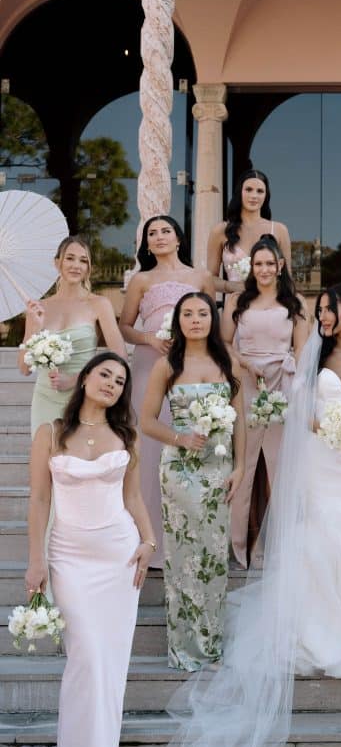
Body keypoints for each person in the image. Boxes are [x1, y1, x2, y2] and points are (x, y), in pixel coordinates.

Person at [151, 283, 341, 747]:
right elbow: (299, 408)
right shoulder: (310, 355)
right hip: (321, 458)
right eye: (319, 312)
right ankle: (318, 631)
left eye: (330, 310)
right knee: (323, 535)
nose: (324, 318)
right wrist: (326, 427)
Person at [25, 352, 155, 747]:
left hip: (118, 559)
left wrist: (148, 542)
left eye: (120, 381)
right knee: (86, 661)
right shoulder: (52, 433)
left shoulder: (127, 435)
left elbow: (134, 498)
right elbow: (39, 501)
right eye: (105, 374)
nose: (112, 384)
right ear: (84, 378)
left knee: (110, 668)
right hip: (69, 560)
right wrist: (36, 560)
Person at [141, 292, 245, 671]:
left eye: (203, 313)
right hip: (180, 470)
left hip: (219, 467)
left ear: (212, 319)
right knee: (184, 554)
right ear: (178, 321)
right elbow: (147, 421)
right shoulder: (168, 364)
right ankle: (184, 647)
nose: (196, 320)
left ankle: (212, 644)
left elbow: (240, 418)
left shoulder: (226, 361)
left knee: (214, 555)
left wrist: (240, 467)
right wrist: (180, 438)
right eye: (188, 313)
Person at [119, 215, 214, 567]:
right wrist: (147, 338)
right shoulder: (140, 280)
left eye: (166, 231)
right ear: (146, 244)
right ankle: (146, 538)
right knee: (148, 450)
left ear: (178, 238)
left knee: (187, 441)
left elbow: (211, 322)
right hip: (149, 363)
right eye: (152, 233)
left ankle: (185, 537)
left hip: (191, 366)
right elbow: (124, 326)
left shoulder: (200, 277)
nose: (159, 237)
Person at [221, 236, 308, 567]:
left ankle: (283, 546)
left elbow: (301, 349)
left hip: (282, 384)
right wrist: (244, 363)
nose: (264, 269)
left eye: (270, 263)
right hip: (247, 380)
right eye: (258, 264)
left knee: (280, 466)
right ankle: (239, 547)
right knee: (244, 462)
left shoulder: (295, 302)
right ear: (251, 267)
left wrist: (294, 388)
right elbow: (225, 343)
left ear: (281, 266)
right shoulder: (237, 301)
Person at [19, 235, 125, 436]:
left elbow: (119, 357)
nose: (76, 265)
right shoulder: (39, 308)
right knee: (44, 460)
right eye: (70, 258)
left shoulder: (99, 304)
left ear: (89, 267)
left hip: (84, 396)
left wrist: (77, 380)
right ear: (57, 262)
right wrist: (34, 326)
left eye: (83, 260)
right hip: (45, 396)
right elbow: (24, 368)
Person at [207, 169, 292, 295]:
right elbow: (209, 279)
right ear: (239, 192)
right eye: (248, 189)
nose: (254, 196)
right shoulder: (220, 231)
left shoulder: (279, 230)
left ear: (266, 196)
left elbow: (287, 279)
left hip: (270, 306)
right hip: (235, 307)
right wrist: (231, 286)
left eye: (260, 191)